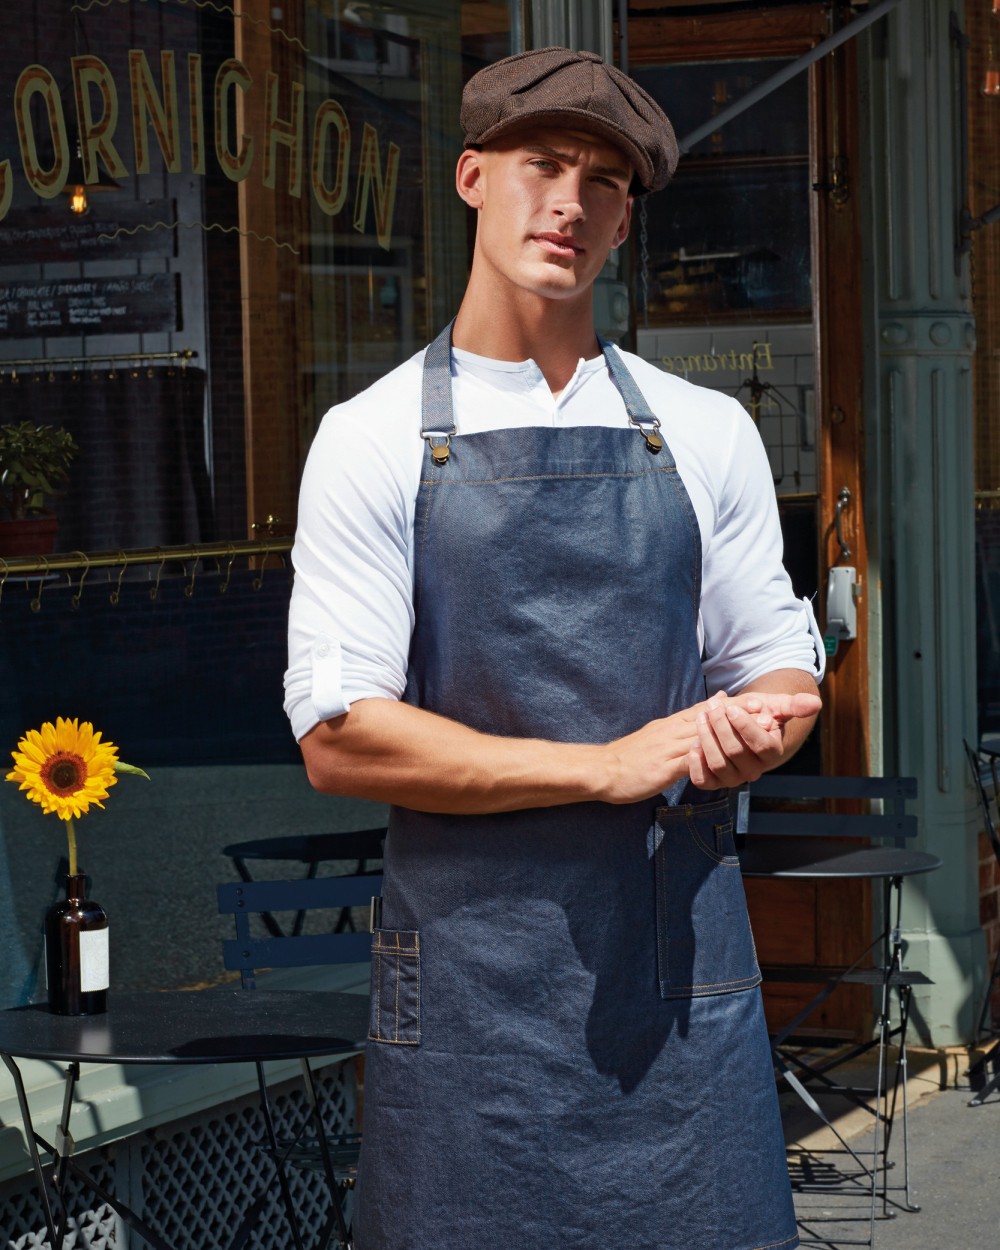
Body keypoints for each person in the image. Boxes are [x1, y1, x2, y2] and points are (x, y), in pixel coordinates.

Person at [284, 46, 823, 1250]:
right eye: (543, 165)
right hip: (475, 997)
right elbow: (339, 733)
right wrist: (607, 764)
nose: (570, 202)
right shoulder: (368, 438)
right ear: (474, 176)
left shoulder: (704, 430)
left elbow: (780, 665)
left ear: (628, 216)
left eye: (605, 179)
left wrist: (755, 732)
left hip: (679, 974)